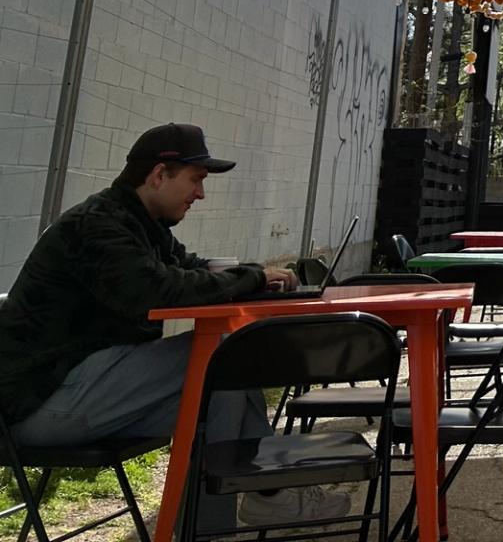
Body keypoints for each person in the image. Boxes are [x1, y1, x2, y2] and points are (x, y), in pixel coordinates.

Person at [0, 124, 343, 529]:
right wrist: (251, 278)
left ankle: (226, 521)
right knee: (221, 354)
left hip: (85, 392)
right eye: (195, 180)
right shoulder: (97, 226)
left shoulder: (143, 226)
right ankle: (263, 501)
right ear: (159, 174)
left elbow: (188, 269)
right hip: (40, 403)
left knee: (222, 390)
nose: (200, 193)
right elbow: (159, 290)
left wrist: (254, 274)